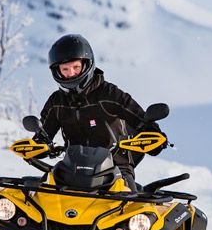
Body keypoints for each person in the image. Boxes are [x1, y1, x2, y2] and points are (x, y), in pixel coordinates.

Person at [38, 34, 163, 186]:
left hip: (115, 169)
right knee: (41, 194)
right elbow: (43, 135)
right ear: (56, 71)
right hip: (73, 170)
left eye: (76, 67)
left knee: (129, 205)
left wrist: (154, 134)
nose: (71, 74)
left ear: (87, 64)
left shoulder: (109, 94)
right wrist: (38, 146)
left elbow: (140, 119)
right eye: (65, 69)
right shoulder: (56, 102)